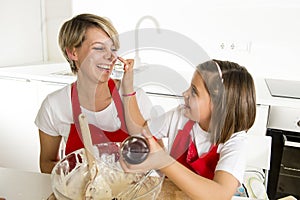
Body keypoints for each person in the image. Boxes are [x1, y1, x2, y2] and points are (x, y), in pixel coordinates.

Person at [121, 59, 257, 200]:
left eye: (194, 91)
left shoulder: (235, 142)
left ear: (218, 105)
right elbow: (140, 130)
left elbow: (220, 195)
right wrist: (128, 88)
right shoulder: (180, 116)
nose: (184, 93)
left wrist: (163, 162)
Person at [35, 13, 152, 174]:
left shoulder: (135, 97)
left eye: (113, 49)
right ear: (72, 53)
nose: (111, 56)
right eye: (98, 48)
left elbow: (157, 160)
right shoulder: (54, 105)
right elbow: (47, 163)